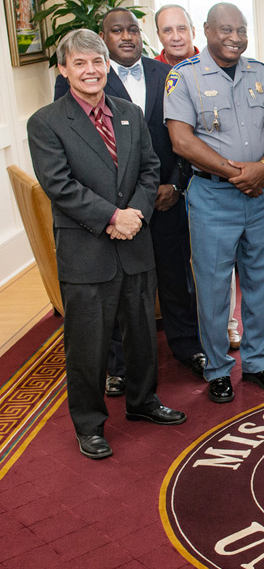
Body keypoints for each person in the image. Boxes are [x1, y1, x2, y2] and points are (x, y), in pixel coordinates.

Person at [27, 29, 186, 459]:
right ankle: (89, 424)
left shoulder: (130, 112)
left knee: (140, 334)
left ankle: (143, 403)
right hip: (87, 249)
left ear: (107, 66)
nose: (91, 71)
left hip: (135, 242)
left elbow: (150, 170)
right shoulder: (46, 122)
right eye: (79, 63)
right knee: (88, 343)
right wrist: (112, 217)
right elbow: (59, 185)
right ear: (64, 70)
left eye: (97, 62)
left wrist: (134, 215)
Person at [54, 8, 206, 392]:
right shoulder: (80, 82)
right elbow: (76, 148)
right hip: (112, 210)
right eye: (116, 30)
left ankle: (188, 347)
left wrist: (175, 183)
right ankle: (119, 366)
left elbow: (183, 133)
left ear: (143, 35)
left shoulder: (164, 73)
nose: (126, 36)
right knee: (119, 287)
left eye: (133, 29)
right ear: (103, 39)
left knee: (175, 277)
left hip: (166, 195)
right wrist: (118, 211)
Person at [165, 2, 264, 403]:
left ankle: (256, 362)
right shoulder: (184, 77)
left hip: (260, 196)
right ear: (206, 30)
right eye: (225, 30)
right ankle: (218, 367)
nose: (235, 37)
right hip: (213, 198)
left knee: (261, 283)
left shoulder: (261, 73)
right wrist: (238, 173)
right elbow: (181, 140)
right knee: (214, 289)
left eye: (241, 30)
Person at [155, 3, 241, 352]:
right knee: (179, 263)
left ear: (196, 30)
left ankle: (227, 324)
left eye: (181, 28)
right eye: (167, 30)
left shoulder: (219, 64)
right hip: (167, 187)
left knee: (222, 260)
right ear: (158, 36)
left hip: (215, 180)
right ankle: (190, 331)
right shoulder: (154, 73)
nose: (175, 36)